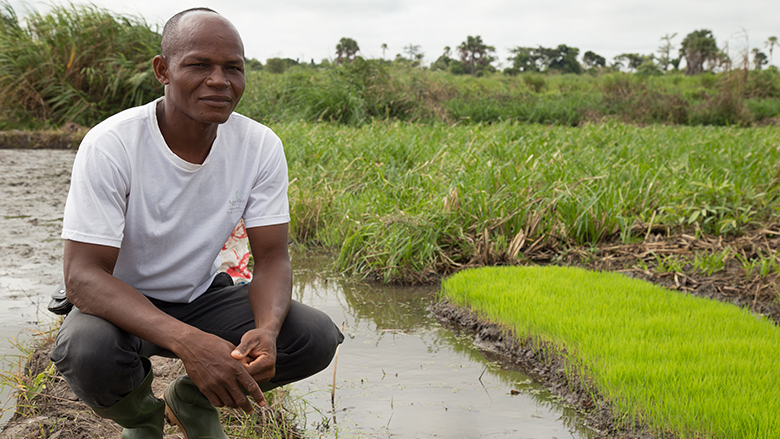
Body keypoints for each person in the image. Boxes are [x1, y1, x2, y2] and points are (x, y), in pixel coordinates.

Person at [50, 8, 343, 439]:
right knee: (86, 350)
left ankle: (190, 401)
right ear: (163, 70)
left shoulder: (259, 146)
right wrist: (189, 342)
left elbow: (272, 258)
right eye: (199, 65)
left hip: (201, 297)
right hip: (120, 306)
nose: (219, 80)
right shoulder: (112, 144)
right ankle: (142, 419)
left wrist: (265, 329)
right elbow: (81, 277)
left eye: (233, 68)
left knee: (312, 336)